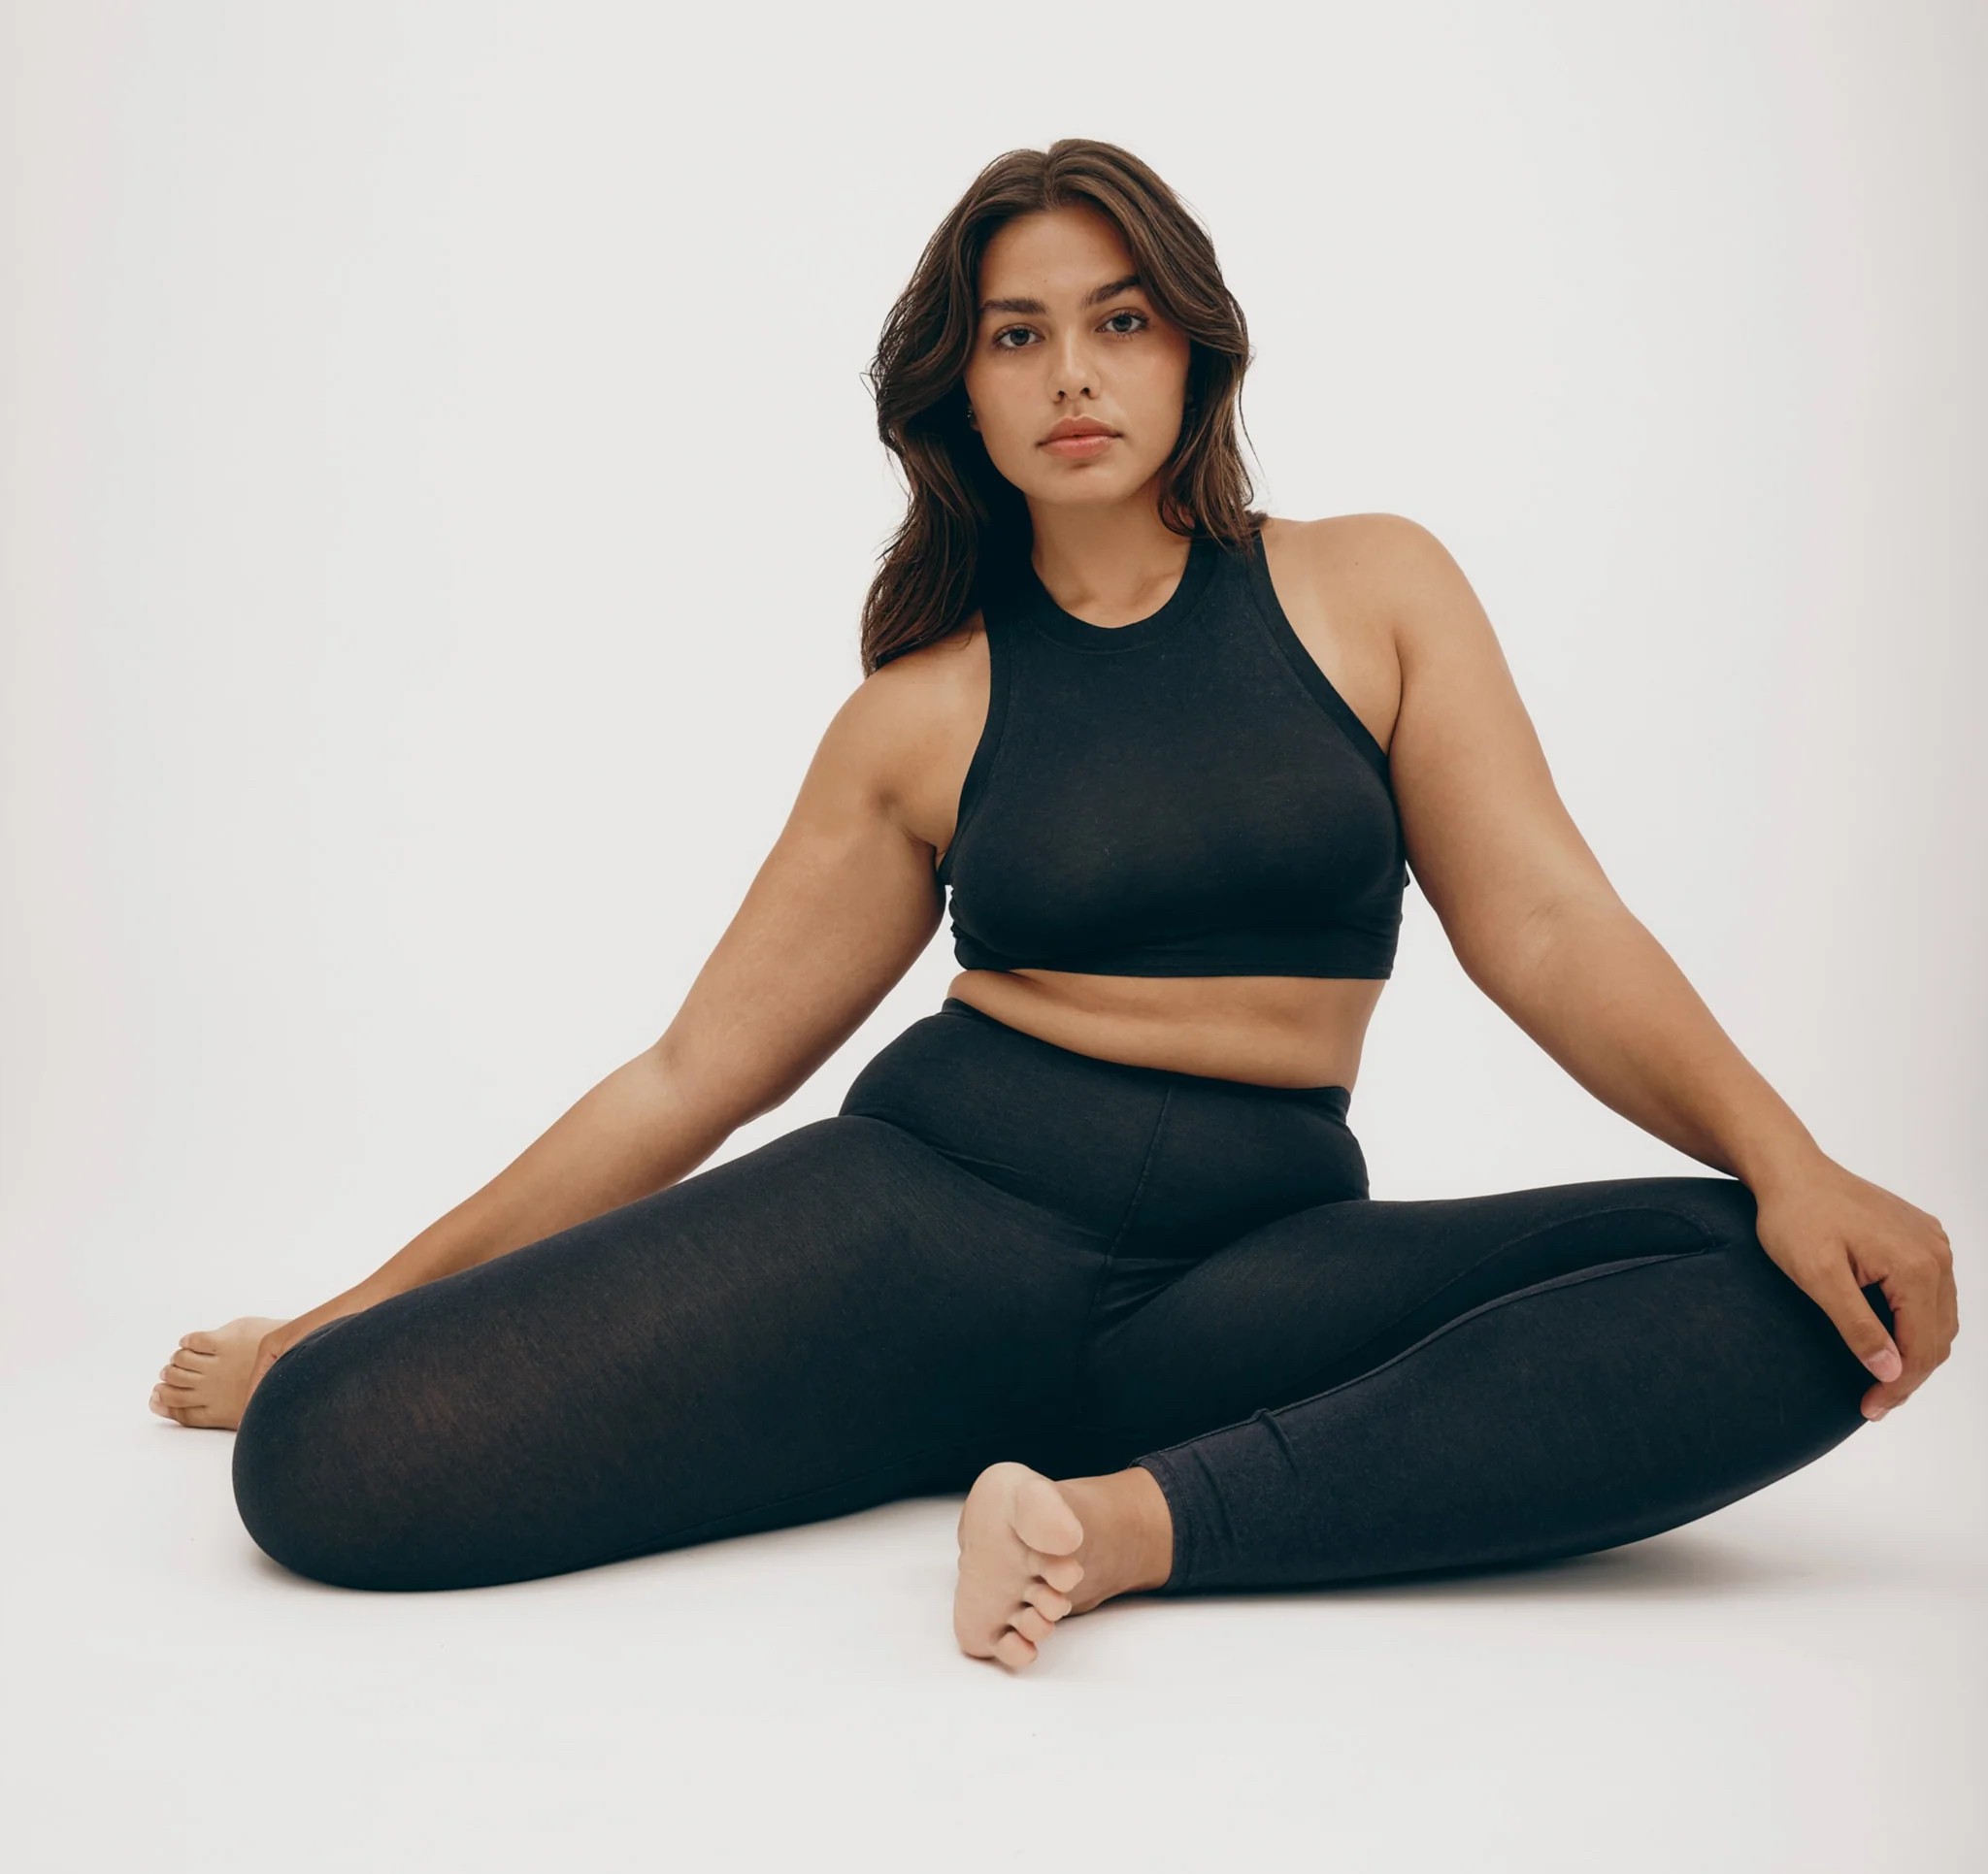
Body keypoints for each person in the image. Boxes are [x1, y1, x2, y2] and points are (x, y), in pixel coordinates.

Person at [149, 139, 1957, 1671]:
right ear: (962, 390)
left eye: (1118, 321)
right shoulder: (922, 711)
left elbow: (1549, 927)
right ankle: (970, 1443)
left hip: (1242, 1277)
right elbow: (692, 1070)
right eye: (1019, 337)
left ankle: (1115, 1528)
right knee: (328, 1456)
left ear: (1195, 355)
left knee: (1813, 1300)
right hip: (921, 1235)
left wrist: (1790, 1164)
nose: (1073, 374)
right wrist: (341, 1315)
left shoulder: (1372, 593)